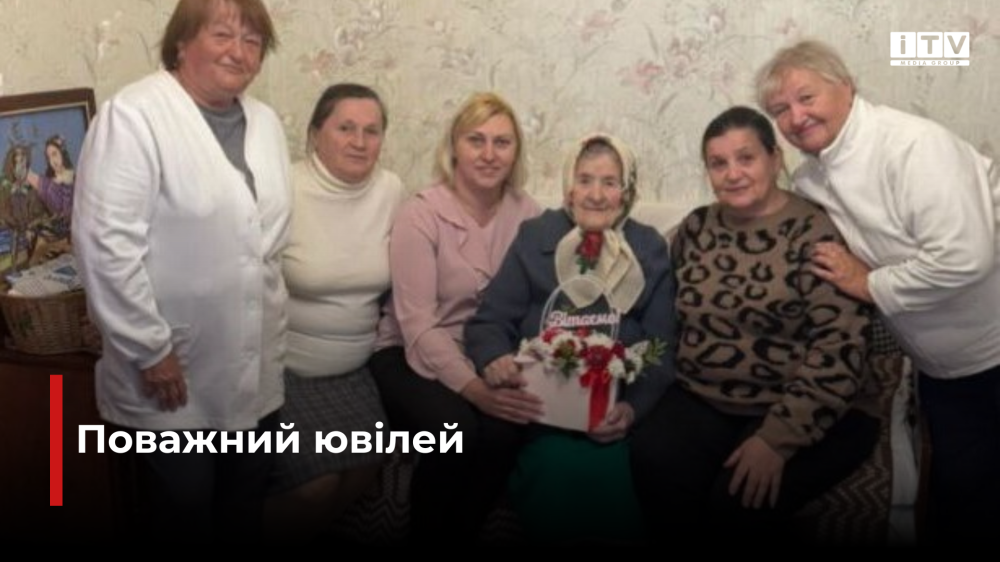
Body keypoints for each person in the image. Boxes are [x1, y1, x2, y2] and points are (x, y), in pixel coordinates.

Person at [756, 39, 1000, 544]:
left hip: (993, 352)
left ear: (846, 86)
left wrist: (868, 283)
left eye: (806, 97)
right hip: (941, 369)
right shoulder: (813, 177)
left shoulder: (912, 146)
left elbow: (966, 256)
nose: (796, 117)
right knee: (959, 504)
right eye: (779, 109)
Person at [71, 0, 290, 542]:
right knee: (184, 510)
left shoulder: (265, 122)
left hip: (255, 359)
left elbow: (264, 241)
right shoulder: (134, 116)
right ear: (182, 42)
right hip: (170, 370)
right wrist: (150, 349)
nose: (239, 52)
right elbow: (105, 246)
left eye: (253, 41)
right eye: (223, 35)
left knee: (243, 504)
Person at [629, 106, 879, 543]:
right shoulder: (696, 227)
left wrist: (776, 440)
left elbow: (839, 349)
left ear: (775, 159)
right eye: (718, 163)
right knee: (653, 461)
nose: (733, 174)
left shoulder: (815, 232)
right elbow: (660, 310)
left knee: (737, 501)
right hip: (706, 397)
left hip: (812, 404)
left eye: (746, 158)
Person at [464, 133, 677, 543]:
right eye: (585, 180)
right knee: (558, 469)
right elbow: (489, 322)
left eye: (610, 182)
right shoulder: (534, 236)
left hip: (613, 417)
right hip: (543, 415)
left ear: (626, 192)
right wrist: (494, 358)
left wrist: (631, 410)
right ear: (568, 187)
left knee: (612, 475)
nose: (596, 195)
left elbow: (661, 347)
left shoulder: (648, 247)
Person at [369, 91, 542, 543]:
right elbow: (417, 324)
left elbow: (539, 304)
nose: (489, 154)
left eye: (502, 142)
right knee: (454, 431)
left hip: (489, 353)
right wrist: (475, 390)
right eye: (475, 140)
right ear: (454, 148)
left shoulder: (530, 215)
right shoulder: (421, 214)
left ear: (516, 151)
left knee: (507, 430)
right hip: (409, 353)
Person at [264, 83, 406, 540]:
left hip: (355, 369)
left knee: (367, 463)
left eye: (372, 131)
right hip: (285, 370)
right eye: (345, 128)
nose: (359, 142)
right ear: (314, 134)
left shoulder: (391, 190)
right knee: (315, 487)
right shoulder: (283, 186)